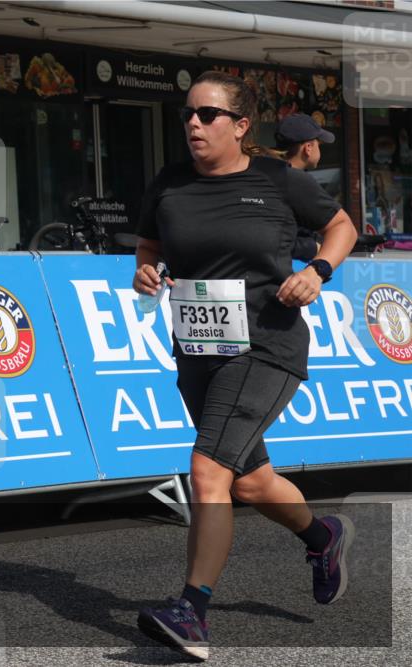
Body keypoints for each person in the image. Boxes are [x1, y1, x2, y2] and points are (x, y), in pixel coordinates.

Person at [132, 71, 358, 661]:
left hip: (266, 345)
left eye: (207, 114)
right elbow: (150, 244)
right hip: (198, 351)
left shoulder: (276, 180)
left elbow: (341, 226)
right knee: (250, 480)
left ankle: (192, 611)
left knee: (208, 471)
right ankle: (323, 536)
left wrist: (317, 272)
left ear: (239, 125)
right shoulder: (169, 183)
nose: (194, 123)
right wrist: (145, 271)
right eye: (188, 114)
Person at [275, 113, 337, 260]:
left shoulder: (268, 174)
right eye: (318, 145)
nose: (319, 150)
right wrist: (312, 247)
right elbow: (340, 225)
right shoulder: (298, 181)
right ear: (308, 148)